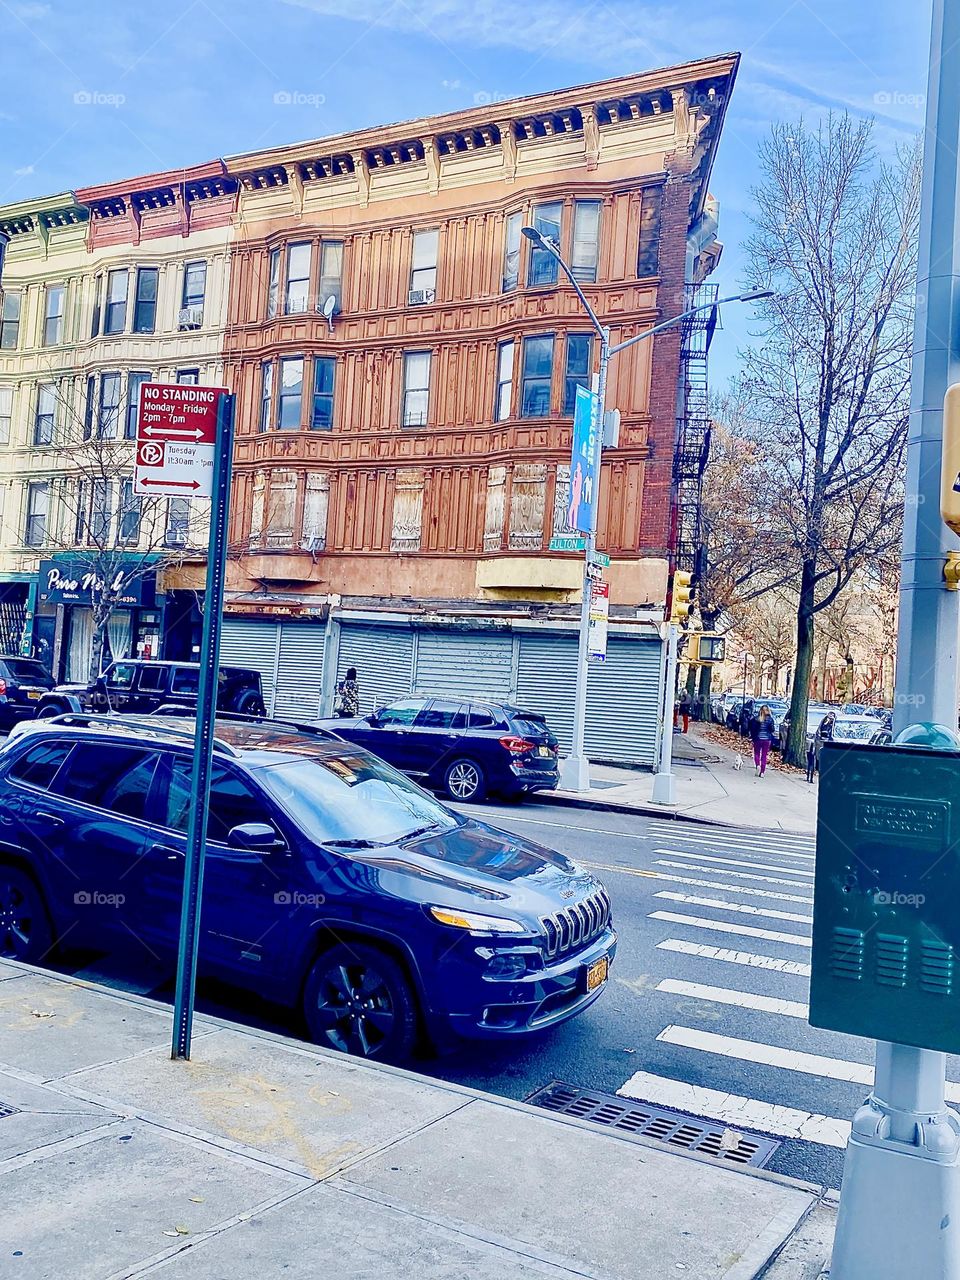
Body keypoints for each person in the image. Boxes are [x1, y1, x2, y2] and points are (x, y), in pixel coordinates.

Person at [748, 703, 777, 777]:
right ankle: (762, 772)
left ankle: (758, 765)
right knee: (764, 755)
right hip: (767, 739)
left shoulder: (756, 719)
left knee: (757, 753)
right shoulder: (770, 719)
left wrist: (752, 737)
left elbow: (752, 729)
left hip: (758, 738)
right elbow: (772, 729)